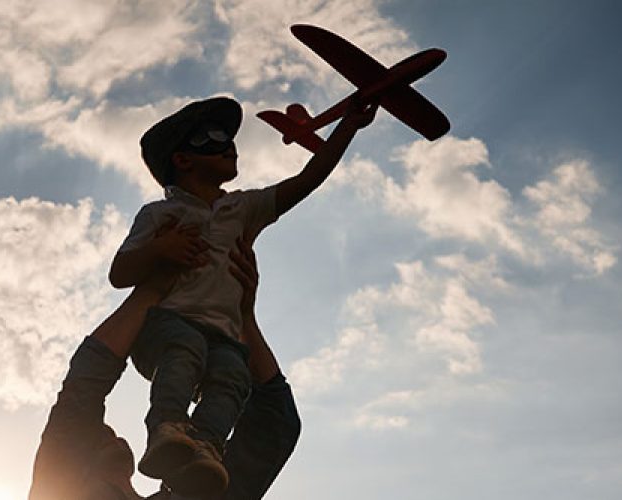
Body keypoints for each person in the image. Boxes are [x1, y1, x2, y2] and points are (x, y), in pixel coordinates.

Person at [108, 96, 377, 497]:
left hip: (225, 335)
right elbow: (119, 273)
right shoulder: (158, 215)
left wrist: (347, 127)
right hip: (166, 329)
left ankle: (204, 449)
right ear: (183, 160)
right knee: (184, 349)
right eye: (214, 137)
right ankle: (167, 428)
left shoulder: (243, 207)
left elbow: (307, 179)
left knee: (233, 378)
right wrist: (157, 251)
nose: (229, 144)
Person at [28, 234, 299, 500]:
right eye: (97, 432)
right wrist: (151, 291)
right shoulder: (58, 493)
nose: (108, 430)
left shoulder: (198, 486)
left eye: (103, 428)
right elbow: (81, 393)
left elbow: (275, 423)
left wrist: (239, 319)